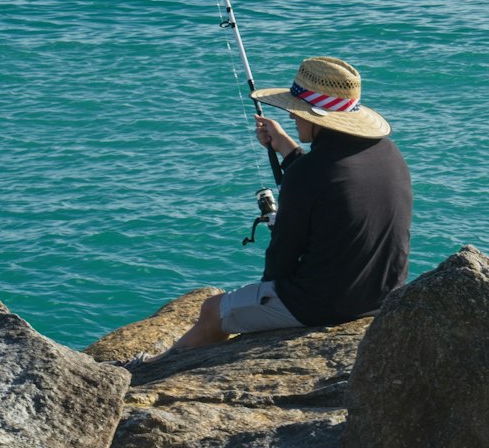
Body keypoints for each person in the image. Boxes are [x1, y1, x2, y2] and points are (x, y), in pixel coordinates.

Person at [168, 55, 412, 353]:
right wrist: (287, 147)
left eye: (297, 112)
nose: (292, 117)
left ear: (314, 115)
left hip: (325, 307)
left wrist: (265, 294)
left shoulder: (309, 173)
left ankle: (149, 369)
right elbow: (333, 184)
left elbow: (281, 259)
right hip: (383, 295)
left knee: (212, 311)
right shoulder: (388, 153)